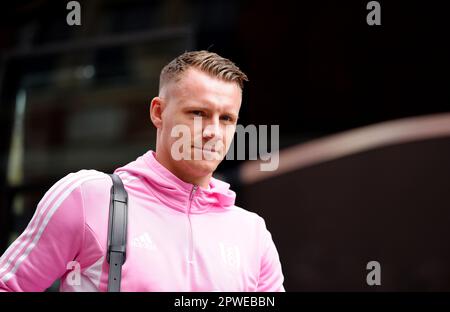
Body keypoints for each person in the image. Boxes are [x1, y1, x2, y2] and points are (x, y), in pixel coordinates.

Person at [0, 50, 285, 292]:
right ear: (158, 112)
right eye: (198, 113)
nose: (213, 131)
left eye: (226, 119)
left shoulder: (251, 233)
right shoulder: (88, 197)